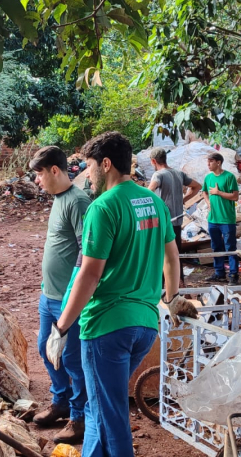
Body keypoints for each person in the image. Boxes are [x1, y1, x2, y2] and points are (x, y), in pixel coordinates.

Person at [46, 132, 197, 457]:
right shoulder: (153, 201)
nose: (87, 176)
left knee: (110, 416)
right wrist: (170, 299)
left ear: (106, 163)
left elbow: (89, 274)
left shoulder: (103, 207)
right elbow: (172, 257)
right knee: (99, 406)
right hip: (144, 326)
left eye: (89, 167)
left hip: (107, 328)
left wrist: (61, 328)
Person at [29, 146, 91, 444]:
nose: (37, 180)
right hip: (48, 296)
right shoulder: (58, 199)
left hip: (68, 300)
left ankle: (78, 418)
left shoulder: (78, 201)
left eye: (39, 173)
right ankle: (61, 401)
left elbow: (87, 251)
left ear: (55, 170)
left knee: (72, 360)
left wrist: (72, 293)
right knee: (45, 349)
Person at [147, 147, 201, 282]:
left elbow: (148, 192)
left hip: (164, 223)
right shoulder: (179, 174)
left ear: (154, 161)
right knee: (176, 255)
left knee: (160, 255)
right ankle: (178, 285)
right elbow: (197, 186)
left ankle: (161, 288)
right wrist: (183, 200)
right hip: (177, 221)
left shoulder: (158, 175)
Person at [201, 152, 240, 284]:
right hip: (213, 219)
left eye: (210, 161)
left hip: (227, 219)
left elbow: (235, 196)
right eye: (207, 162)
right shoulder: (208, 177)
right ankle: (219, 273)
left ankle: (234, 275)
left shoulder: (229, 177)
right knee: (216, 247)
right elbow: (204, 191)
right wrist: (207, 202)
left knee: (230, 248)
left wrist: (218, 193)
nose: (208, 164)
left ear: (218, 162)